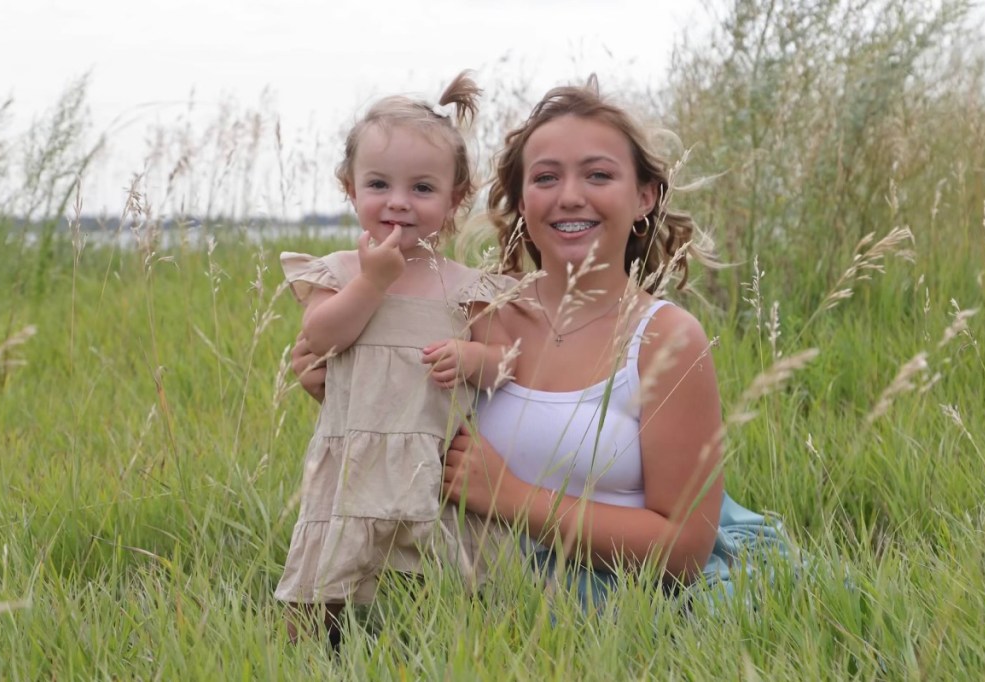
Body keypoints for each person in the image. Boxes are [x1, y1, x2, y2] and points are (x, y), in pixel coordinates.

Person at [291, 77, 791, 611]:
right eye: (546, 177)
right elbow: (412, 430)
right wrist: (341, 384)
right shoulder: (475, 310)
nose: (569, 196)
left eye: (598, 174)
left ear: (644, 196)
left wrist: (513, 498)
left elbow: (685, 550)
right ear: (522, 200)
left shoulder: (665, 339)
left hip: (624, 600)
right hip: (472, 590)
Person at [275, 71, 518, 643]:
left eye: (422, 189)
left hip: (433, 458)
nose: (399, 202)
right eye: (379, 184)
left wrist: (473, 357)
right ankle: (300, 656)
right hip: (351, 458)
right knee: (321, 580)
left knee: (438, 582)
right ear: (350, 188)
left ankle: (422, 648)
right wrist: (373, 282)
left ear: (455, 198)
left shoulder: (465, 286)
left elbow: (507, 361)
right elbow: (320, 338)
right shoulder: (341, 271)